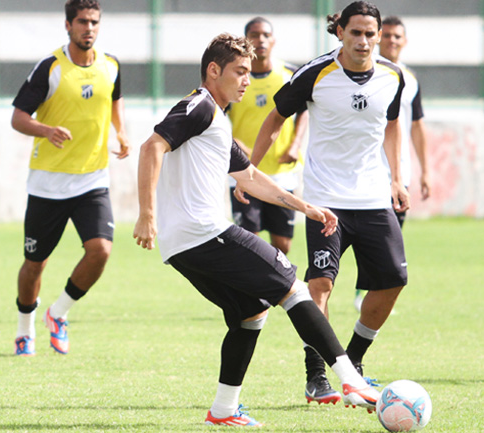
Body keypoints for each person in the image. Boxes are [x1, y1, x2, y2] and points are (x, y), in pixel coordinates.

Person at [133, 33, 380, 426]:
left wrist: (307, 207)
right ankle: (351, 380)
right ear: (214, 71)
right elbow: (151, 147)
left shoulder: (216, 117)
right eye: (240, 71)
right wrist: (146, 214)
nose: (247, 80)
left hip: (182, 244)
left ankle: (224, 410)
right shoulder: (198, 106)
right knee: (294, 288)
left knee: (250, 314)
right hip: (205, 231)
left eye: (249, 72)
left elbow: (248, 176)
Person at [250, 1, 410, 405]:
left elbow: (391, 127)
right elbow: (274, 119)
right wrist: (249, 172)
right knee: (320, 284)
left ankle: (351, 364)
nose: (363, 41)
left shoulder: (393, 78)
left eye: (370, 34)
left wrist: (399, 178)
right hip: (325, 201)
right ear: (340, 32)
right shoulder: (314, 73)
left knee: (393, 280)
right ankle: (317, 377)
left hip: (374, 199)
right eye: (355, 32)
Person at [10, 0, 129, 356]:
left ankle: (58, 313)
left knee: (101, 251)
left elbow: (115, 101)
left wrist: (121, 133)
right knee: (35, 265)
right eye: (82, 22)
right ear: (68, 25)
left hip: (92, 180)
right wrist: (45, 130)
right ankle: (24, 329)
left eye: (94, 22)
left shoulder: (111, 65)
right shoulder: (51, 67)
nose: (88, 28)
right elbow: (18, 117)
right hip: (47, 184)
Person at [353, 15, 431, 311]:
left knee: (390, 238)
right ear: (378, 38)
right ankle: (362, 293)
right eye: (388, 36)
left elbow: (417, 126)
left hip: (400, 174)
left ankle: (374, 292)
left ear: (405, 42)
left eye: (398, 37)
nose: (392, 41)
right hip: (367, 172)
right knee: (365, 235)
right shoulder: (363, 74)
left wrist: (425, 171)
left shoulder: (409, 80)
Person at [227, 16, 309, 255]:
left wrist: (295, 145)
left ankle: (274, 291)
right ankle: (253, 293)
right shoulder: (233, 76)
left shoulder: (290, 74)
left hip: (281, 173)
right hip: (244, 171)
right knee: (249, 243)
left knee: (282, 245)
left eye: (265, 35)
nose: (260, 40)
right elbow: (216, 114)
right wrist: (231, 141)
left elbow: (304, 111)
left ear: (273, 40)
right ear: (245, 41)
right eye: (254, 35)